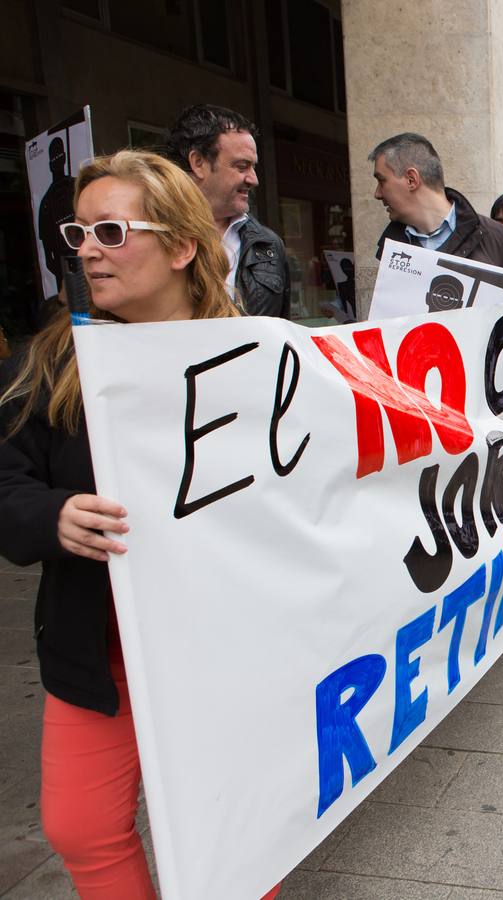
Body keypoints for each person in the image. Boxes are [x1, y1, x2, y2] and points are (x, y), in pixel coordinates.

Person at [0, 150, 280, 899]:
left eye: (112, 231)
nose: (87, 249)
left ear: (183, 246)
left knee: (235, 833)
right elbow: (6, 478)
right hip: (97, 650)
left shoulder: (256, 357)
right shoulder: (55, 360)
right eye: (79, 232)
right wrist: (50, 514)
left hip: (225, 651)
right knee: (80, 826)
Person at [368, 132, 503, 316]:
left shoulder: (499, 237)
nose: (377, 193)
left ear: (412, 179)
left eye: (381, 180)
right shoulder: (392, 250)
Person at [165, 104, 291, 318]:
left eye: (253, 167)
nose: (254, 179)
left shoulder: (268, 246)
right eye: (242, 166)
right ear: (198, 162)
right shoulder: (151, 235)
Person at [37, 136, 78, 297]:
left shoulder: (75, 187)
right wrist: (60, 270)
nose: (57, 161)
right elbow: (47, 246)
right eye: (54, 158)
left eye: (59, 156)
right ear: (49, 164)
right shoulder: (47, 201)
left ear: (65, 157)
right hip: (63, 264)